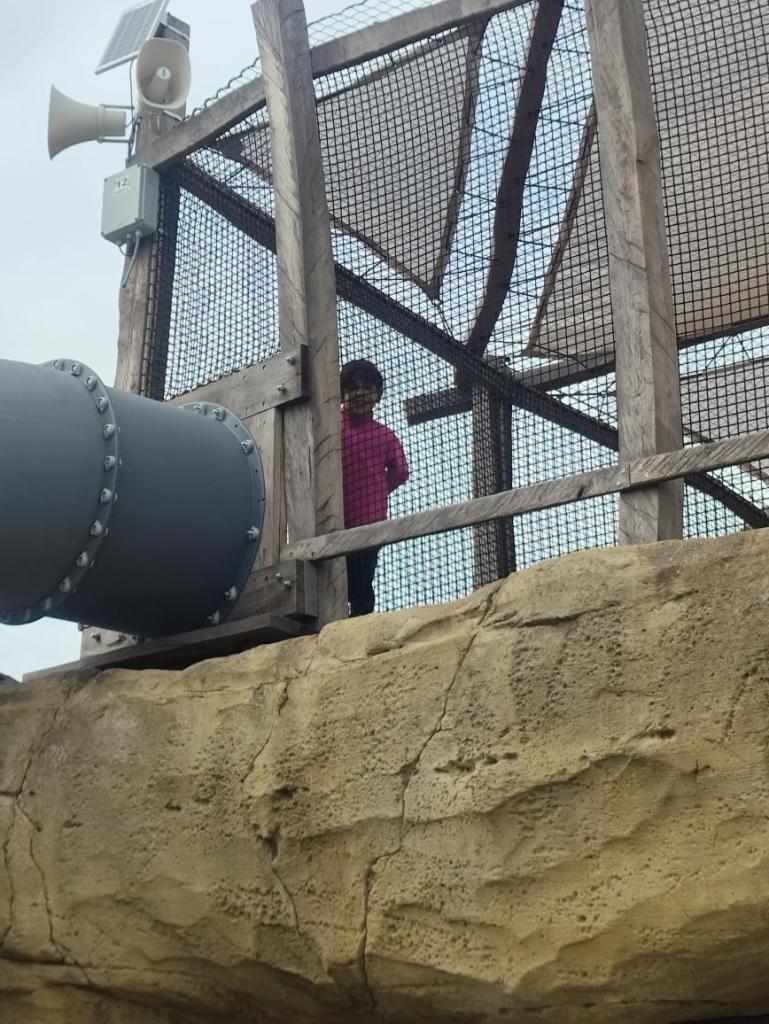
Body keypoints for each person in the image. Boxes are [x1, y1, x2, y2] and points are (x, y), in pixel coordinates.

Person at [340, 359, 409, 616]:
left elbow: (401, 472)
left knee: (358, 580)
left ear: (378, 395)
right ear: (341, 394)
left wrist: (376, 491)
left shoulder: (336, 428)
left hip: (364, 521)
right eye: (353, 388)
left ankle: (359, 622)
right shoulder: (335, 427)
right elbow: (400, 472)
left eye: (367, 388)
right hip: (343, 517)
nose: (360, 394)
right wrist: (377, 490)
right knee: (351, 580)